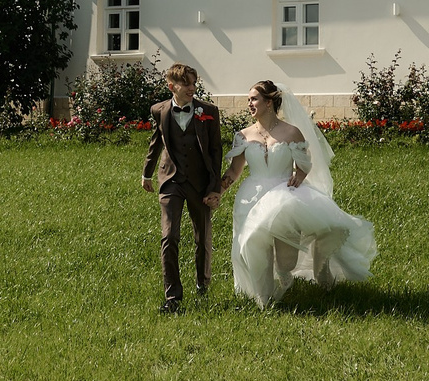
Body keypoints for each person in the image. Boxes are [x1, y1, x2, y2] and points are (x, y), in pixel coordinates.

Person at [223, 79, 377, 306]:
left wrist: (300, 176)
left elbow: (305, 163)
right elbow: (234, 171)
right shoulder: (243, 135)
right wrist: (217, 191)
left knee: (286, 262)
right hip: (251, 198)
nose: (249, 104)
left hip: (285, 197)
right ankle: (263, 299)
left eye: (254, 99)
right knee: (254, 247)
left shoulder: (292, 133)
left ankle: (289, 277)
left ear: (269, 102)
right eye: (248, 100)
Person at [140, 62, 226, 312]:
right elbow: (157, 141)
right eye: (186, 83)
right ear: (172, 86)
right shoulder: (160, 110)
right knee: (169, 236)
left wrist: (214, 187)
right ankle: (172, 297)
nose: (192, 88)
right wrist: (147, 173)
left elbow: (215, 151)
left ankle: (202, 285)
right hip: (170, 181)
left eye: (194, 83)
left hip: (199, 183)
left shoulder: (208, 111)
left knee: (202, 237)